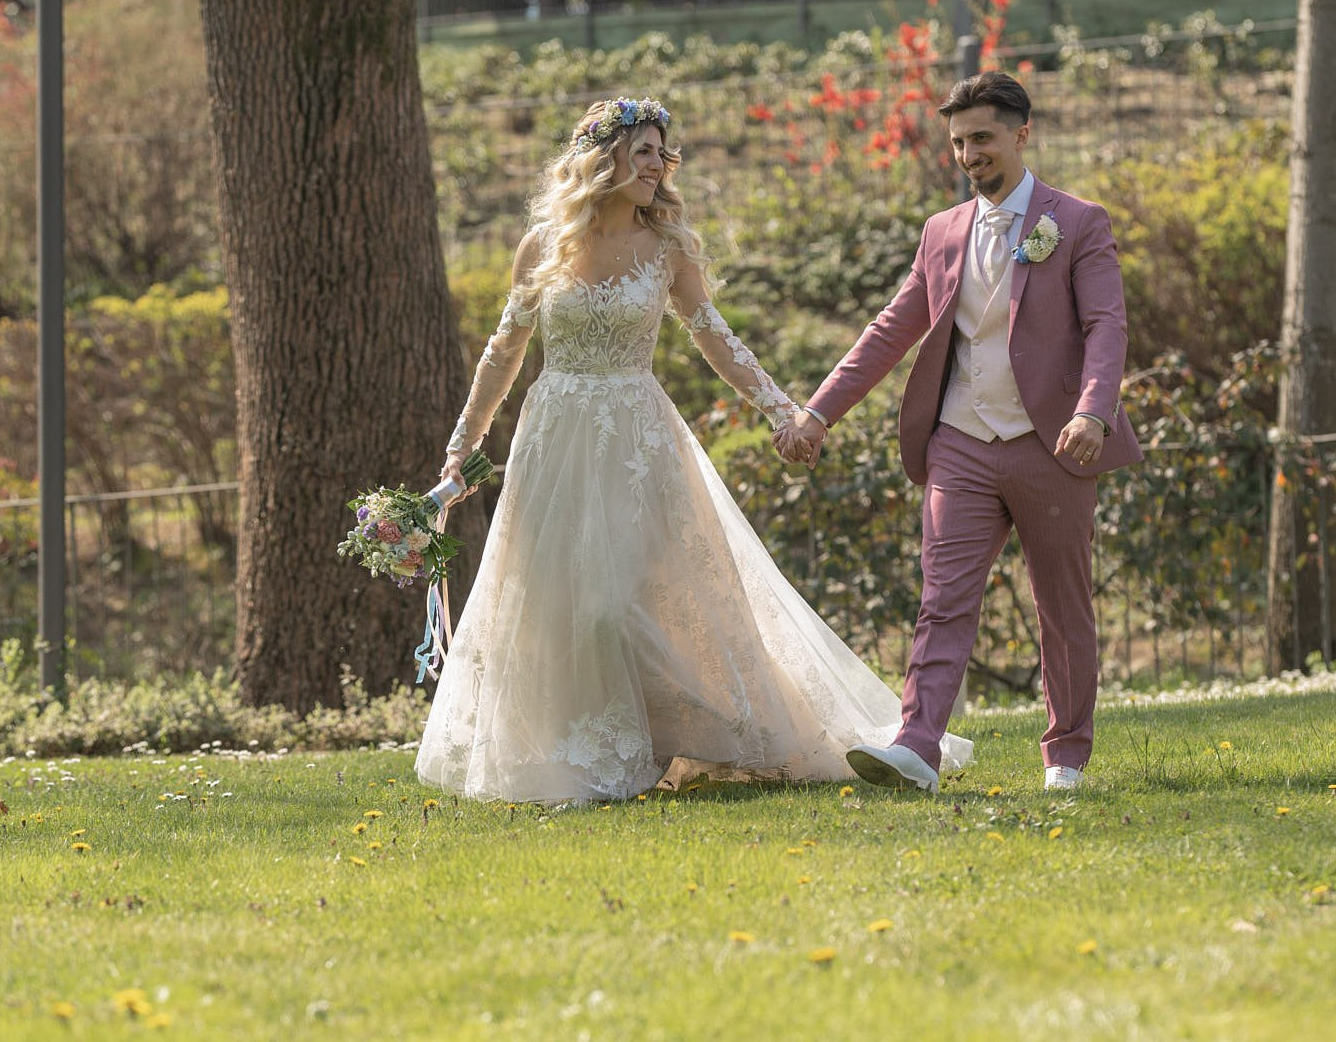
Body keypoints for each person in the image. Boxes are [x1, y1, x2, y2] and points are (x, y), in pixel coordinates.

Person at [416, 97, 972, 804]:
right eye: (644, 151)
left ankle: (645, 744)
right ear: (603, 157)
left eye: (662, 154)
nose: (658, 165)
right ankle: (580, 755)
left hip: (635, 442)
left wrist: (785, 410)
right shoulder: (542, 245)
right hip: (553, 439)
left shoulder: (667, 248)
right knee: (561, 603)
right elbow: (502, 352)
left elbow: (714, 337)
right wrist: (461, 448)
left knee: (619, 601)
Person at [778, 71, 1141, 795]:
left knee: (1062, 603)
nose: (969, 153)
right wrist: (817, 411)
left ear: (1021, 134)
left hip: (1053, 445)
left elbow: (1107, 326)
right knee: (942, 597)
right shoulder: (941, 232)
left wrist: (1093, 411)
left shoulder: (1077, 222)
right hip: (960, 442)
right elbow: (891, 329)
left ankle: (1065, 754)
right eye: (957, 142)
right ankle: (917, 745)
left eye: (982, 137)